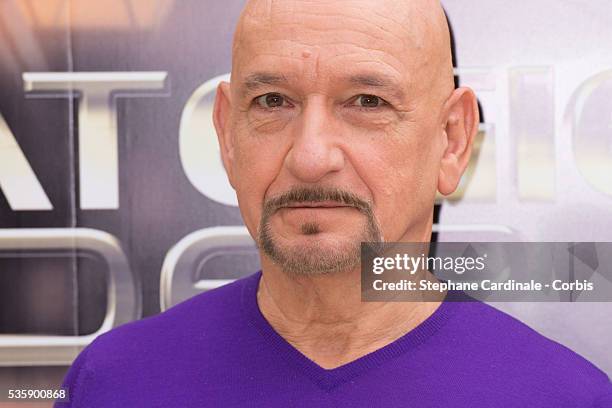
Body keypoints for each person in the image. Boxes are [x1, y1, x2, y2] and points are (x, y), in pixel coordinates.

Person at [56, 0, 612, 406]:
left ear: (452, 140)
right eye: (273, 100)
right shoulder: (112, 383)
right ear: (227, 134)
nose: (310, 155)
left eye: (367, 101)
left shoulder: (563, 397)